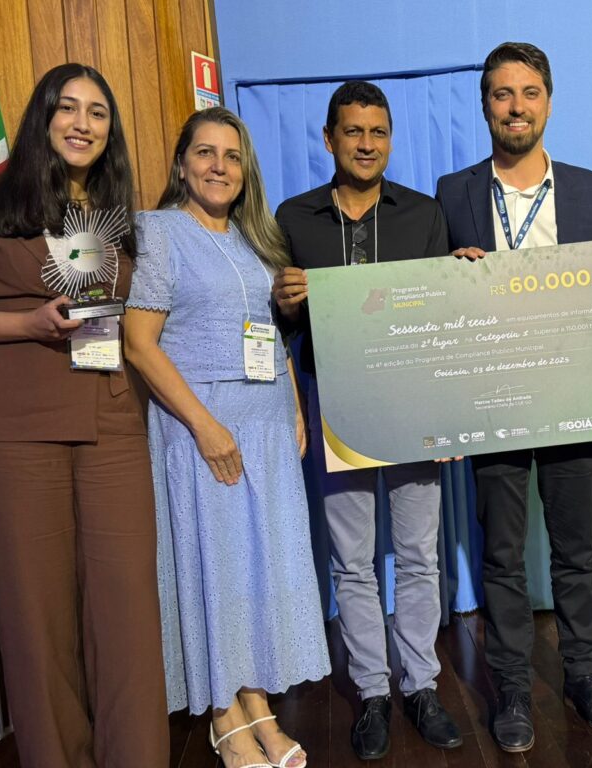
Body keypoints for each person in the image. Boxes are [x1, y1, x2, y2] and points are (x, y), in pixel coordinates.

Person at [0, 63, 168, 767]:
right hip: (10, 433)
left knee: (127, 614)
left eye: (98, 112)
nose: (82, 123)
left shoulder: (113, 216)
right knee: (36, 621)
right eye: (68, 108)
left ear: (111, 130)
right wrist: (25, 324)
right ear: (42, 117)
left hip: (111, 424)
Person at [435, 42, 592, 750]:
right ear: (485, 104)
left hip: (575, 400)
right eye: (501, 94)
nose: (515, 107)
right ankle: (512, 689)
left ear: (548, 101)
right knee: (503, 556)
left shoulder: (591, 192)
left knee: (578, 554)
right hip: (495, 403)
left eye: (528, 93)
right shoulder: (453, 193)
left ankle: (584, 678)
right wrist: (449, 272)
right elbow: (438, 308)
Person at [122, 107, 330, 768]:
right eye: (205, 153)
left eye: (232, 156)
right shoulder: (159, 232)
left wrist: (293, 406)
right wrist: (205, 427)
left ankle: (256, 700)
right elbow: (139, 343)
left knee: (256, 571)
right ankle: (222, 713)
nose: (219, 166)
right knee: (215, 567)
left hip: (266, 428)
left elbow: (271, 333)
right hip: (201, 427)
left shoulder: (254, 238)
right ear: (181, 164)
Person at [271, 81, 462, 760]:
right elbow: (278, 327)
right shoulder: (293, 218)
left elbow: (444, 318)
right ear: (329, 139)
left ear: (390, 139)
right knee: (352, 562)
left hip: (413, 404)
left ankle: (421, 686)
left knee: (418, 554)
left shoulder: (425, 214)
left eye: (378, 132)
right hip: (336, 405)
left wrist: (450, 412)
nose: (366, 143)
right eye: (353, 131)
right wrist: (285, 301)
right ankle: (374, 692)